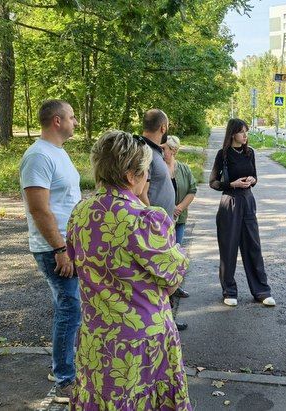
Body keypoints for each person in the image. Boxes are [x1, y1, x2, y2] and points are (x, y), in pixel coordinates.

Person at [66, 130, 192, 410]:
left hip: (96, 342)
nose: (148, 177)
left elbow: (79, 268)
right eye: (146, 171)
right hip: (141, 345)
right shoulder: (147, 219)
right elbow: (171, 283)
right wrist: (181, 253)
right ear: (130, 175)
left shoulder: (80, 213)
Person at [19, 99, 81, 403]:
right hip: (54, 247)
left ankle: (63, 366)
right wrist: (60, 248)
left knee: (69, 307)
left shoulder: (57, 152)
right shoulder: (38, 156)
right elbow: (39, 209)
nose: (76, 122)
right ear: (57, 121)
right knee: (70, 308)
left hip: (68, 244)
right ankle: (64, 380)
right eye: (71, 117)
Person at [209, 118, 275, 307]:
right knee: (228, 248)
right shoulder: (223, 155)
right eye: (242, 132)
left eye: (246, 131)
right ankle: (229, 290)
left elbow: (255, 176)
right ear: (232, 134)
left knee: (253, 246)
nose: (245, 135)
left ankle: (261, 291)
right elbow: (213, 182)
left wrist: (252, 180)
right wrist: (231, 184)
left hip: (248, 201)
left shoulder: (250, 152)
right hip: (230, 201)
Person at [138, 109, 189, 329]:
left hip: (162, 224)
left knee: (163, 277)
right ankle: (161, 323)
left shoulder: (153, 150)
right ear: (163, 128)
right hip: (153, 228)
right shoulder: (144, 151)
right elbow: (141, 191)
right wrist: (154, 220)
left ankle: (165, 320)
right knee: (158, 277)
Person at [162, 135, 197, 246]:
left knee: (177, 251)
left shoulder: (184, 169)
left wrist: (179, 208)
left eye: (164, 148)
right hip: (161, 219)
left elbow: (192, 190)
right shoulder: (158, 168)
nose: (161, 151)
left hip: (179, 218)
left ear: (173, 150)